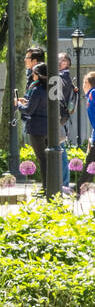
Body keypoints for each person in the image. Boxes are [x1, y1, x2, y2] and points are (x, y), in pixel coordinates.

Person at [16, 63, 50, 178]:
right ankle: (50, 187)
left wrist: (19, 105)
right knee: (48, 158)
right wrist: (26, 101)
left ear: (38, 75)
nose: (32, 75)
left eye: (34, 73)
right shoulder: (49, 89)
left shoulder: (36, 89)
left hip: (36, 128)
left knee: (42, 158)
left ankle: (46, 188)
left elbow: (29, 110)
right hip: (48, 127)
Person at [59, 53, 78, 187]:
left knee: (60, 148)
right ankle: (63, 181)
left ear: (67, 63)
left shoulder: (62, 77)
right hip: (62, 117)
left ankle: (64, 182)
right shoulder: (64, 77)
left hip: (59, 118)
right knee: (59, 148)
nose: (58, 61)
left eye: (61, 60)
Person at [78, 71, 95, 198]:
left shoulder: (93, 94)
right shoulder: (91, 95)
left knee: (90, 165)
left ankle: (79, 190)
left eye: (85, 82)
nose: (83, 85)